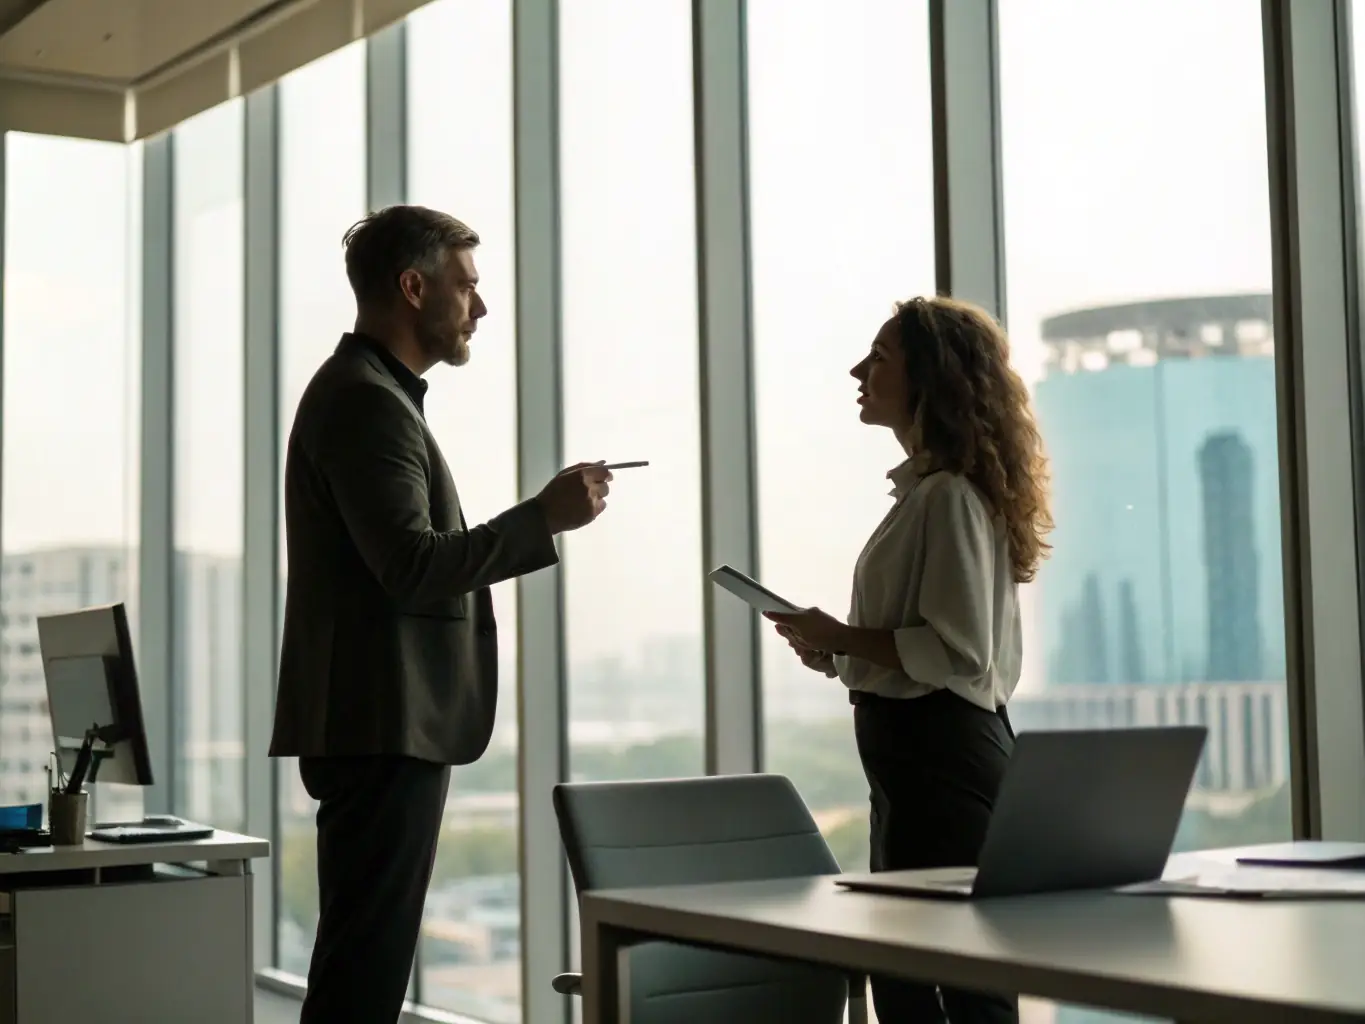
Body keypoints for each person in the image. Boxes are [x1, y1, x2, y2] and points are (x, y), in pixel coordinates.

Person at [268, 204, 613, 1024]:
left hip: (379, 721)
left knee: (363, 961)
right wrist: (543, 517)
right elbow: (412, 567)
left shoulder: (369, 394)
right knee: (363, 972)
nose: (479, 307)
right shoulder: (366, 401)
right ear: (413, 287)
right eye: (466, 286)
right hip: (384, 722)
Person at [765, 295, 1051, 1024]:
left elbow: (955, 651)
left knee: (954, 986)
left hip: (941, 761)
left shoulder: (947, 497)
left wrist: (841, 636)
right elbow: (927, 648)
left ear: (930, 376)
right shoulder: (932, 494)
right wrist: (837, 655)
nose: (857, 371)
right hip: (916, 765)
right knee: (913, 979)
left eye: (879, 358)